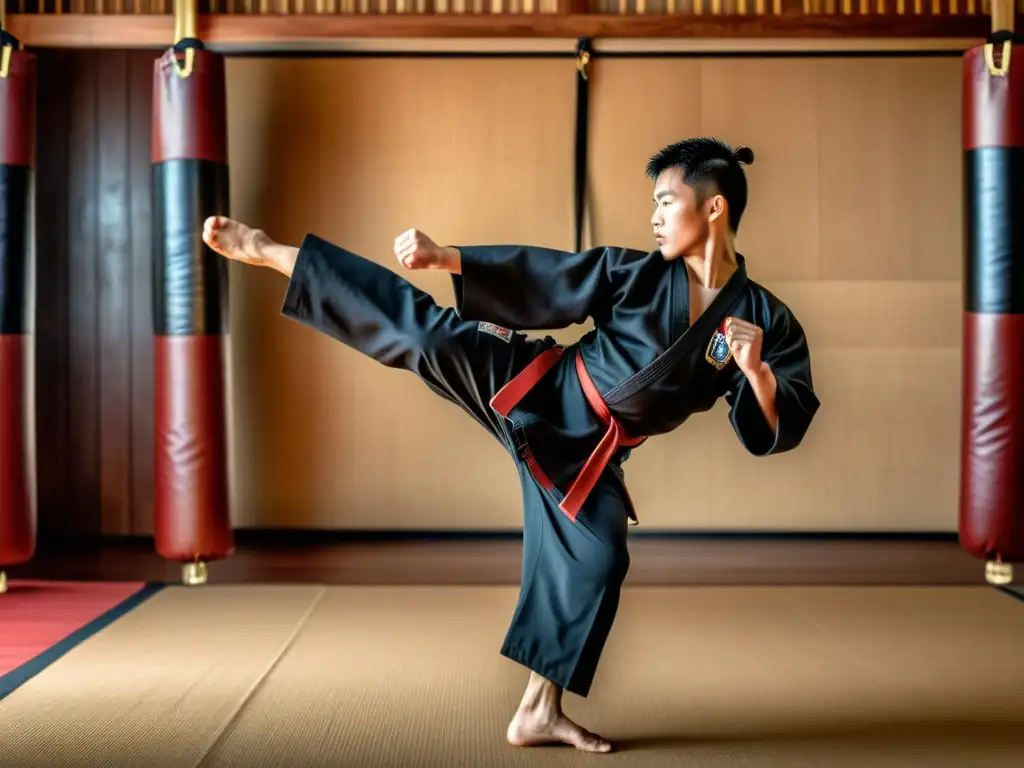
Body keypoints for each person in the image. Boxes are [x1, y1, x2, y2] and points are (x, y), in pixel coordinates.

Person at [202, 137, 820, 754]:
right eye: (653, 204)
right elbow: (551, 275)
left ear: (713, 209)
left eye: (666, 202)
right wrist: (448, 258)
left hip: (592, 457)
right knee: (425, 334)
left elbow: (775, 424)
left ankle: (537, 711)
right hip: (537, 389)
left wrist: (757, 372)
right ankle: (272, 251)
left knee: (600, 557)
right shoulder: (638, 273)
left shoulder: (764, 319)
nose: (654, 216)